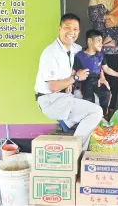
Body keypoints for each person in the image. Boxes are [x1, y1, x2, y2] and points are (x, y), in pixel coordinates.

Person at [34, 13, 103, 151]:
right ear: (59, 29)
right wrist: (75, 78)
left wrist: (102, 76)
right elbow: (52, 86)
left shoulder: (75, 49)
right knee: (96, 112)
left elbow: (92, 54)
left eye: (76, 29)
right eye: (67, 27)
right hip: (50, 100)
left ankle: (68, 123)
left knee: (94, 99)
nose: (71, 32)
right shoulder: (51, 53)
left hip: (65, 95)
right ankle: (75, 151)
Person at [73, 29, 118, 117]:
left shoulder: (100, 55)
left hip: (97, 80)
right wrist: (71, 84)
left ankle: (103, 115)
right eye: (99, 41)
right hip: (85, 81)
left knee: (106, 93)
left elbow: (106, 69)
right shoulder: (80, 56)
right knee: (89, 98)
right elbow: (74, 71)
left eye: (102, 41)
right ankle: (90, 117)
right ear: (90, 41)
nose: (101, 44)